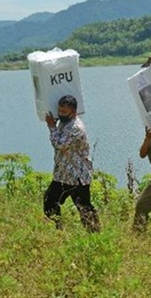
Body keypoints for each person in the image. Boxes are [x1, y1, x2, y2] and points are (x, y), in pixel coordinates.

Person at [43, 95, 100, 232]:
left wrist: (51, 127)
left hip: (77, 177)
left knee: (84, 207)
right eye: (59, 111)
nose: (61, 114)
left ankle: (95, 236)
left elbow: (59, 144)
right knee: (50, 201)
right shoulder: (64, 123)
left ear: (73, 112)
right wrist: (55, 125)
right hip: (63, 175)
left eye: (64, 112)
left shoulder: (76, 128)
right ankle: (58, 230)